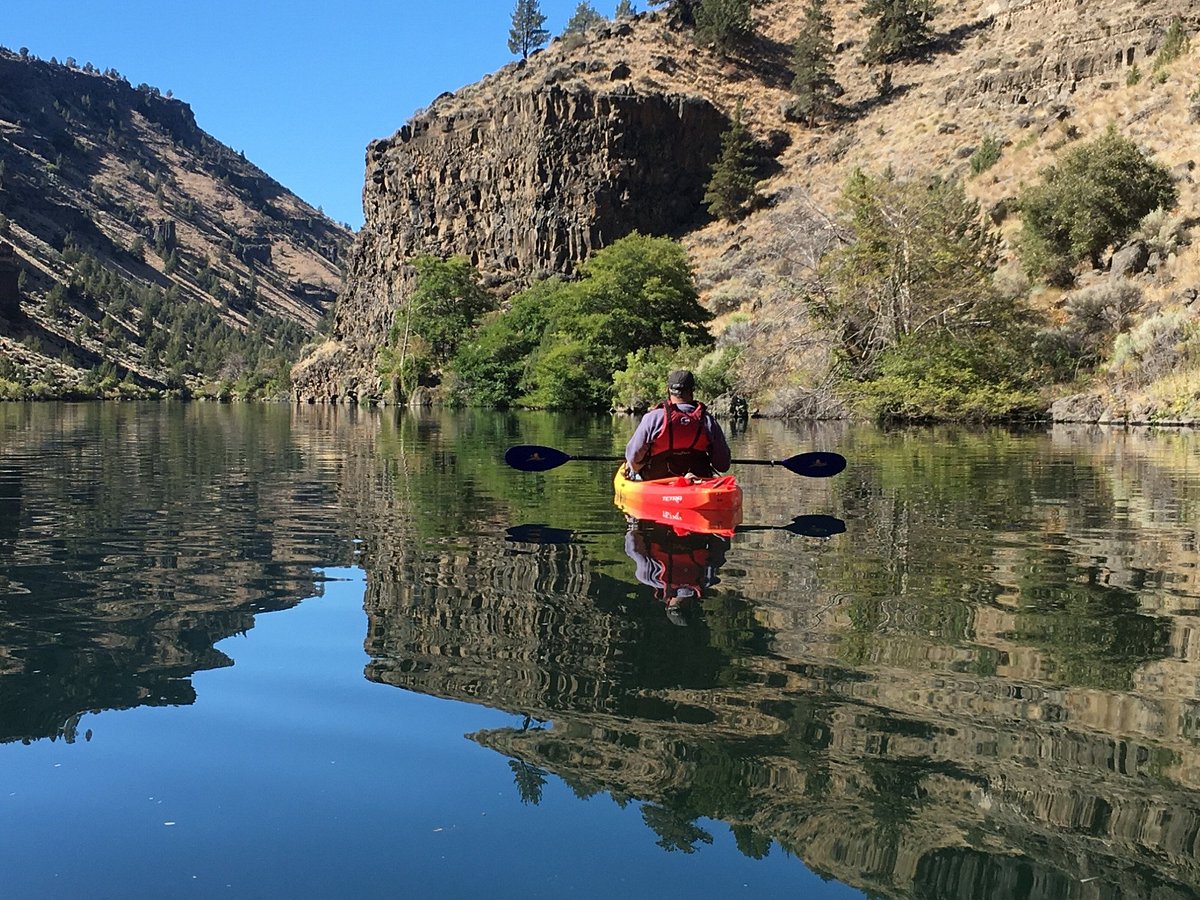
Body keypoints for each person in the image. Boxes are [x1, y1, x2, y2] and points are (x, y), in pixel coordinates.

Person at [624, 369, 732, 480]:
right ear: (692, 391)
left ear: (668, 391)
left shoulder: (653, 418)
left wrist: (635, 466)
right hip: (698, 481)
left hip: (657, 481)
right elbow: (722, 465)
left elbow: (633, 458)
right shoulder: (708, 421)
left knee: (632, 468)